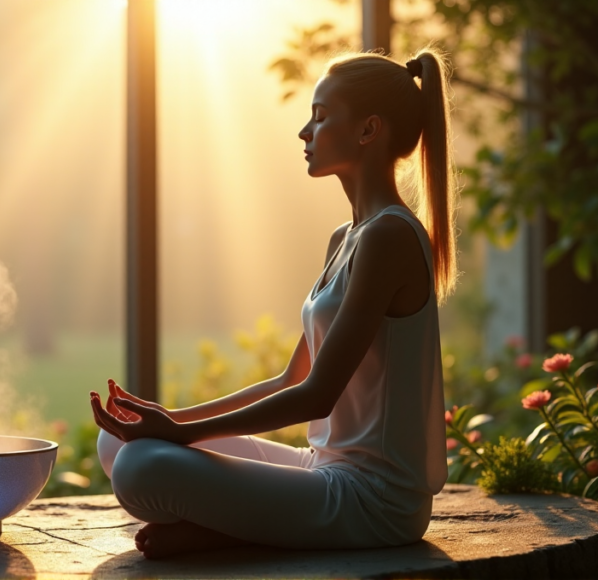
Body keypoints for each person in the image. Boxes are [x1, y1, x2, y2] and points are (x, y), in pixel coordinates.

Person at [88, 47, 456, 560]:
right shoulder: (346, 237)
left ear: (368, 130)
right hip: (321, 468)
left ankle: (228, 532)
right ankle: (233, 527)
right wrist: (172, 419)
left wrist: (180, 434)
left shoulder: (389, 238)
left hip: (374, 500)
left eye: (321, 117)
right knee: (118, 445)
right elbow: (291, 379)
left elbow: (316, 397)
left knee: (139, 467)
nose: (305, 133)